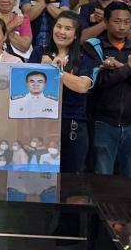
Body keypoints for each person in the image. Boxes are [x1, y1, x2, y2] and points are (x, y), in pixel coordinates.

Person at [83, 1, 131, 178]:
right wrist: (130, 67)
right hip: (102, 123)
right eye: (117, 21)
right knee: (102, 177)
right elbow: (99, 81)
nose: (122, 27)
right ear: (106, 22)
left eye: (127, 22)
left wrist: (120, 67)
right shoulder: (93, 46)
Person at [41, 12, 94, 172]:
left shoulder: (83, 58)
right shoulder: (40, 53)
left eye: (68, 29)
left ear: (76, 35)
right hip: (41, 123)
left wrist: (55, 71)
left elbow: (83, 86)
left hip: (72, 125)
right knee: (41, 176)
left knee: (71, 179)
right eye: (58, 26)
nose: (61, 32)